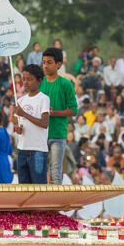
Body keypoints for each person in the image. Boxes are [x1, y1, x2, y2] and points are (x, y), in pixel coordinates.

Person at [39, 47, 78, 185]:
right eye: (43, 62)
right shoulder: (38, 83)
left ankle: (54, 207)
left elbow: (73, 110)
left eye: (49, 62)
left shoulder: (66, 84)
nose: (45, 65)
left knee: (55, 175)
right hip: (40, 135)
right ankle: (41, 206)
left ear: (59, 64)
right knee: (39, 173)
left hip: (58, 134)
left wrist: (53, 113)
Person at [11, 64, 50, 184]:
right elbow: (19, 124)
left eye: (30, 79)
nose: (26, 82)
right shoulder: (21, 100)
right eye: (24, 79)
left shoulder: (43, 99)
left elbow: (45, 123)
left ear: (39, 81)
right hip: (22, 149)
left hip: (37, 150)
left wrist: (24, 114)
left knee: (39, 189)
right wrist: (18, 128)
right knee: (24, 188)